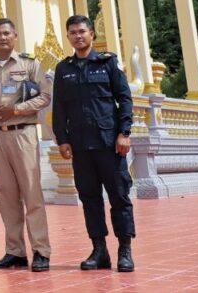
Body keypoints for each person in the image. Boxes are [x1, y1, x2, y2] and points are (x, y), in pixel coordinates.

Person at [52, 15, 136, 272]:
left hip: (109, 143)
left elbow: (125, 98)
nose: (78, 36)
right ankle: (99, 250)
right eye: (73, 32)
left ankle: (124, 250)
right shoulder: (63, 69)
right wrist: (62, 139)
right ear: (68, 37)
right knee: (89, 199)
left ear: (91, 35)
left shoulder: (108, 63)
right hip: (80, 145)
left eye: (82, 31)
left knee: (119, 197)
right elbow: (59, 108)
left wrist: (124, 132)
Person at [0, 18, 52, 272]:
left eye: (7, 33)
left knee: (32, 193)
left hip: (23, 133)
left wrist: (16, 110)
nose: (3, 37)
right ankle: (15, 251)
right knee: (6, 195)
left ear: (15, 36)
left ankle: (41, 250)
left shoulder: (29, 64)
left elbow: (45, 96)